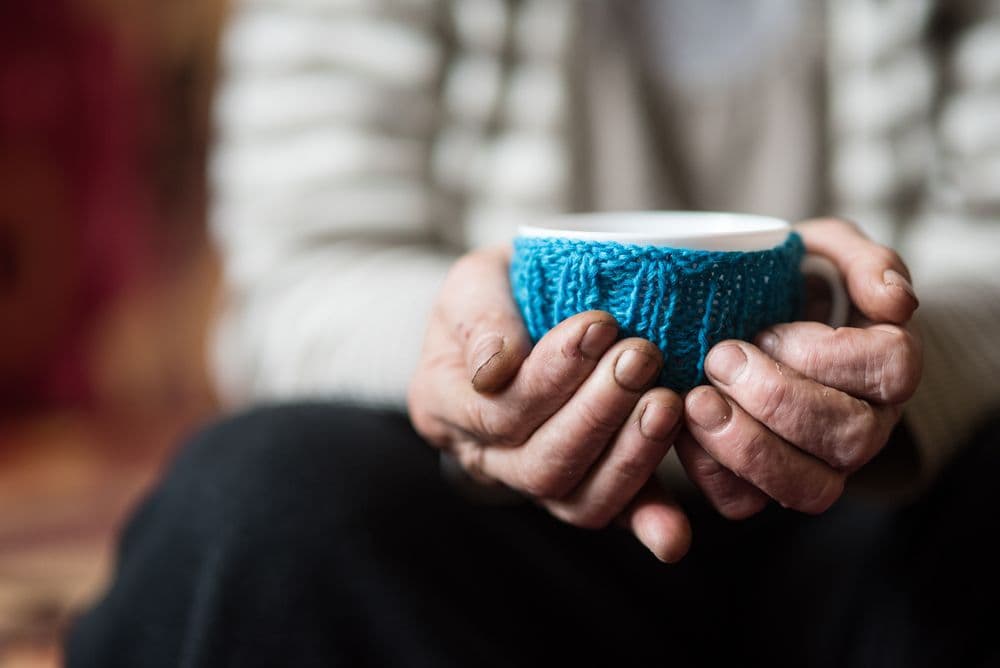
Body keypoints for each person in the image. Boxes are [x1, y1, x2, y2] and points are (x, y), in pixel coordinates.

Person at [67, 1, 1000, 666]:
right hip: (485, 513)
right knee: (257, 503)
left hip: (893, 502)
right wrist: (473, 365)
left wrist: (890, 351)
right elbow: (306, 265)